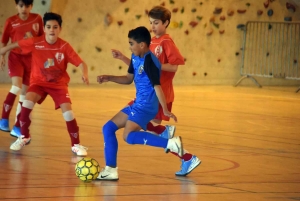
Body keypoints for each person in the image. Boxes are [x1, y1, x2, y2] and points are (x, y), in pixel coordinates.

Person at [110, 6, 200, 176]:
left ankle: (185, 155)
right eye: (151, 23)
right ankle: (185, 155)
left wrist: (154, 66)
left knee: (138, 127)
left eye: (156, 23)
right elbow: (140, 68)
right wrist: (123, 57)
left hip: (158, 93)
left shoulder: (166, 41)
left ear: (166, 23)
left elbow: (174, 66)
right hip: (147, 95)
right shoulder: (151, 42)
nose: (153, 26)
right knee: (146, 126)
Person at [96, 26, 183, 181]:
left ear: (142, 45)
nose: (129, 47)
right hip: (138, 103)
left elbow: (158, 87)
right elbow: (129, 79)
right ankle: (110, 169)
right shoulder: (136, 57)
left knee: (128, 136)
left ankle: (170, 143)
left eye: (131, 43)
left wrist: (165, 109)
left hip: (147, 106)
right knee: (108, 128)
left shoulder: (150, 61)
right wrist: (109, 77)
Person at [0, 12, 89, 156]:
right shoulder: (35, 42)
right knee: (26, 105)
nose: (52, 30)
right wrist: (2, 52)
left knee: (68, 114)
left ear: (60, 28)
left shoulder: (64, 46)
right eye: (48, 27)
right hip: (38, 83)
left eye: (55, 27)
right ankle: (24, 136)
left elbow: (81, 63)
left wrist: (84, 74)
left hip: (58, 85)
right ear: (44, 28)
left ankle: (76, 145)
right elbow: (16, 44)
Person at [0, 0, 44, 138]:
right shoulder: (11, 21)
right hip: (16, 58)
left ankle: (17, 126)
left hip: (31, 59)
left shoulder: (37, 18)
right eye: (21, 5)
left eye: (27, 6)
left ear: (31, 6)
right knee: (17, 86)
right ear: (16, 6)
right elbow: (4, 40)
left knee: (25, 93)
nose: (24, 8)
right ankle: (3, 119)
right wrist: (2, 54)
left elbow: (41, 38)